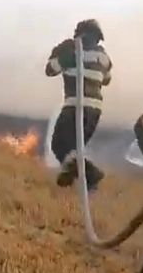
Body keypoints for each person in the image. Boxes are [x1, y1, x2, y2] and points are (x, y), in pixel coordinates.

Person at [45, 19, 113, 191]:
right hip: (95, 110)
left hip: (75, 106)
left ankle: (89, 173)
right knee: (74, 149)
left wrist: (63, 56)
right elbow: (107, 80)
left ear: (79, 33)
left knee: (59, 144)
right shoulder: (103, 56)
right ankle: (85, 183)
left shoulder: (71, 49)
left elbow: (50, 69)